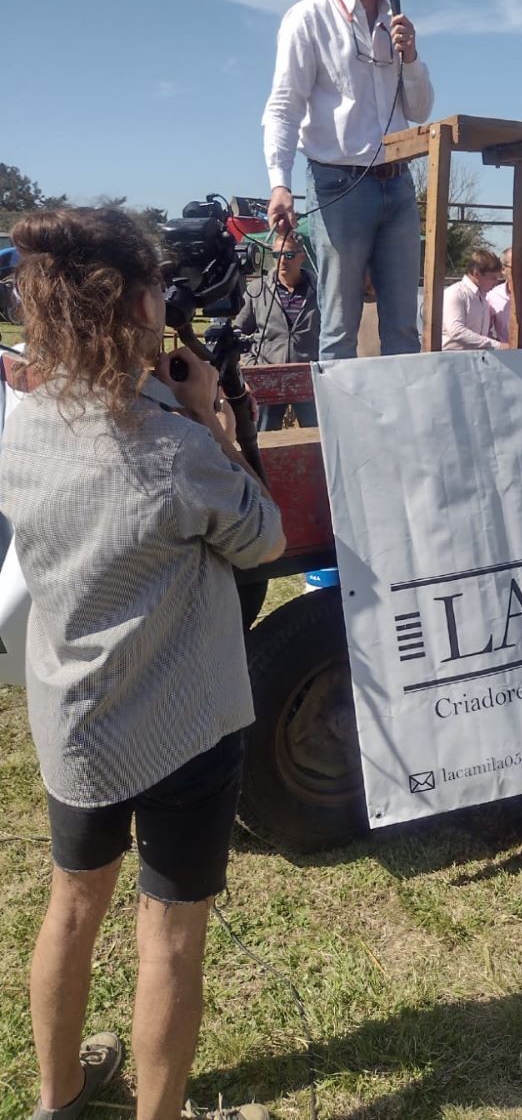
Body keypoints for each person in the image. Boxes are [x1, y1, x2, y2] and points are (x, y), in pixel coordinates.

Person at [0, 208, 285, 1120]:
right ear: (131, 306)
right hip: (183, 723)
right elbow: (264, 539)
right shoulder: (172, 451)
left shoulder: (23, 426)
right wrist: (212, 419)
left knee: (72, 907)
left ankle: (58, 1099)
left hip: (75, 718)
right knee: (169, 937)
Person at [262, 0, 433, 361]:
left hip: (399, 184)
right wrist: (279, 183)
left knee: (404, 329)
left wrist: (413, 57)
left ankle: (404, 433)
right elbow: (283, 106)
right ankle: (341, 437)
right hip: (337, 186)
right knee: (339, 329)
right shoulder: (308, 18)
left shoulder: (396, 22)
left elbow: (420, 111)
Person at [234, 228, 320, 429]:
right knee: (263, 438)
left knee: (318, 437)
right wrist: (252, 367)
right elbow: (238, 331)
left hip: (308, 378)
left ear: (302, 257)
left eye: (288, 255)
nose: (282, 260)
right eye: (277, 255)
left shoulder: (320, 290)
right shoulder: (257, 290)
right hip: (266, 378)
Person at [442, 250, 507, 351]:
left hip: (476, 360)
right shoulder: (456, 293)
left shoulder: (483, 298)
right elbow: (456, 331)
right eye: (493, 278)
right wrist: (498, 345)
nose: (496, 283)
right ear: (477, 274)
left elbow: (481, 335)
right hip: (452, 360)